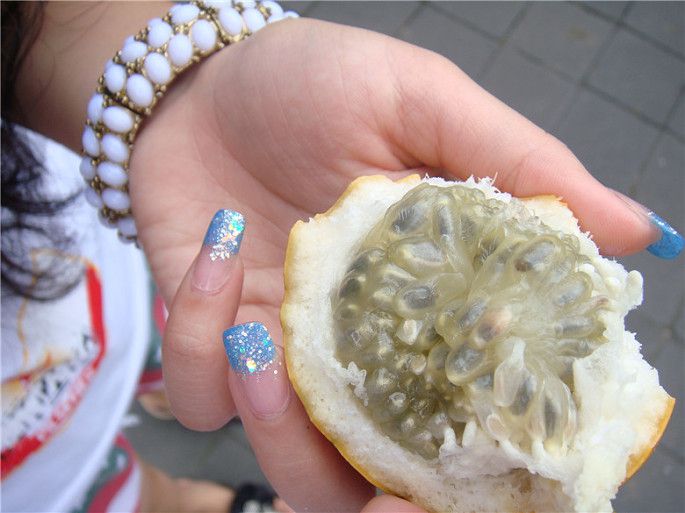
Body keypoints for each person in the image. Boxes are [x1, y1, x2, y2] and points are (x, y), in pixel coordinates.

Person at [2, 1, 681, 512]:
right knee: (97, 486)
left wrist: (185, 86)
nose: (491, 324)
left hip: (89, 268)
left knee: (166, 405)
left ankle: (177, 484)